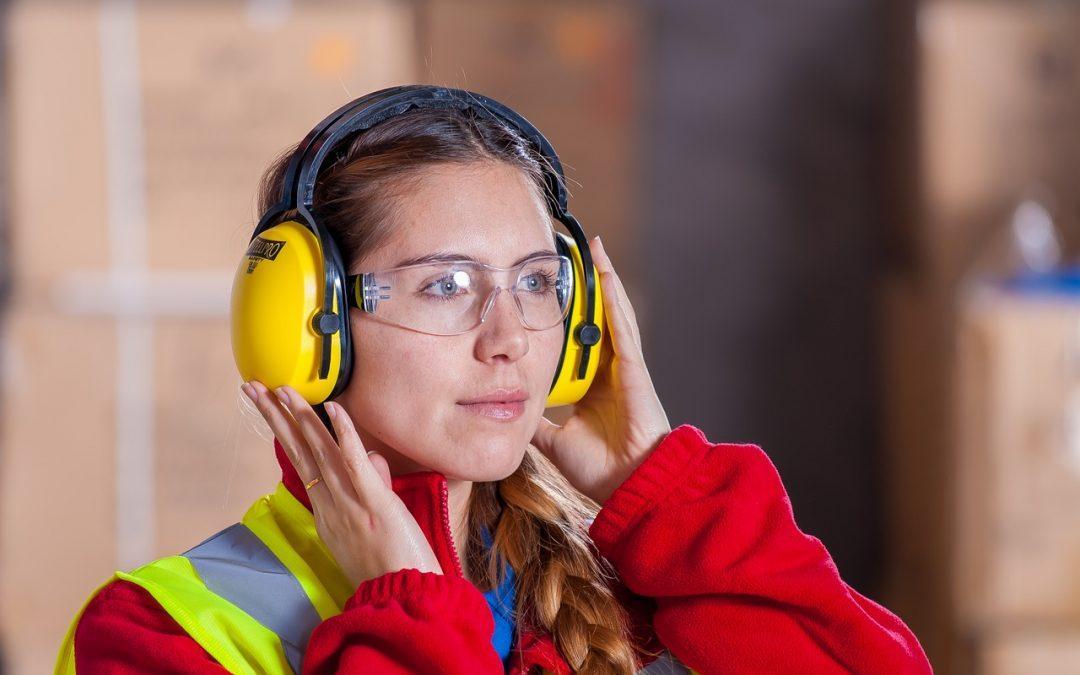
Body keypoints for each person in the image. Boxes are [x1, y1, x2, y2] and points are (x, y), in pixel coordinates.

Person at [56, 91, 932, 674]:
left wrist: (668, 496)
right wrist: (406, 614)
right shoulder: (156, 634)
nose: (510, 338)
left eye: (538, 281)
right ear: (303, 327)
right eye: (447, 284)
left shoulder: (627, 594)